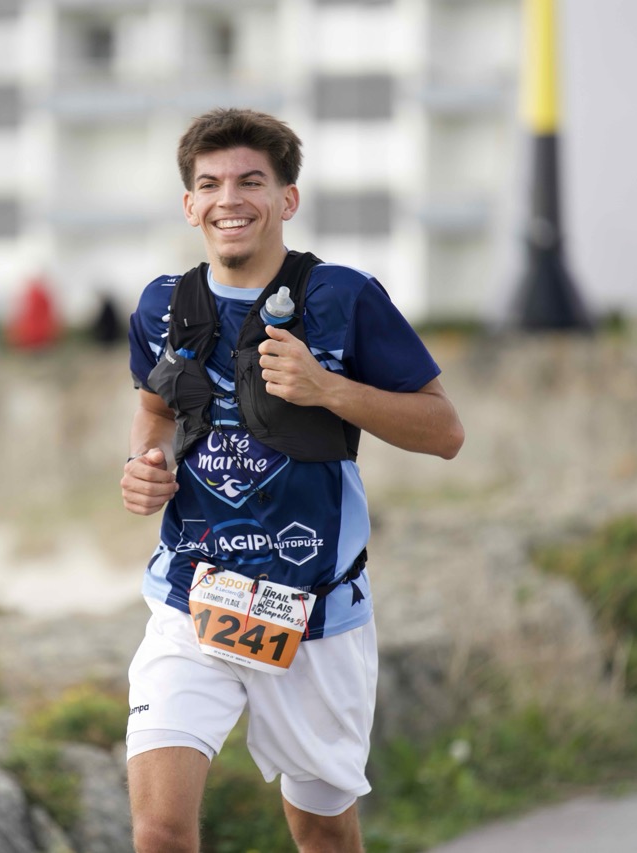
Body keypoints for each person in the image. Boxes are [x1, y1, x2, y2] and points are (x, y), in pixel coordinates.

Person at [120, 107, 464, 852]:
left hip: (314, 613)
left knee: (322, 834)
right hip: (191, 598)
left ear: (287, 198)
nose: (229, 199)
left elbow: (445, 432)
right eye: (210, 184)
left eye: (251, 181)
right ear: (190, 205)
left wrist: (327, 389)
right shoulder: (161, 305)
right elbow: (154, 410)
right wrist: (145, 466)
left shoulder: (344, 298)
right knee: (160, 831)